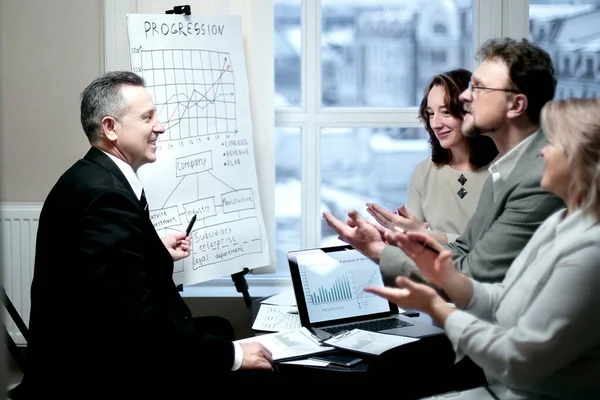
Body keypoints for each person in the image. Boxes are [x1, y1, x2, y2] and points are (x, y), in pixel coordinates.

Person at [21, 71, 276, 398]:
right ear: (111, 128)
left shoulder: (90, 176)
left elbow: (102, 272)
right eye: (147, 117)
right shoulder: (106, 198)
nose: (160, 126)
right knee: (256, 369)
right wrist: (234, 356)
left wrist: (154, 251)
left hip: (97, 346)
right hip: (99, 370)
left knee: (220, 328)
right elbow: (135, 321)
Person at [366, 97, 600, 399]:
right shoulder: (560, 221)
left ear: (580, 159)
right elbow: (505, 298)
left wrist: (436, 307)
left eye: (552, 143)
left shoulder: (590, 253)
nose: (541, 152)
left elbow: (520, 361)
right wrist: (445, 276)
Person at [323, 38, 565, 286]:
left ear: (516, 105)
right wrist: (404, 241)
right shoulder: (505, 169)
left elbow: (470, 274)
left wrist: (376, 250)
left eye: (479, 88)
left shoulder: (540, 179)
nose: (465, 96)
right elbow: (463, 250)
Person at [366, 68, 498, 245]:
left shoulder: (503, 170)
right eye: (430, 113)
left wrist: (430, 236)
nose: (435, 123)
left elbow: (496, 246)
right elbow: (415, 239)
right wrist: (395, 234)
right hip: (436, 271)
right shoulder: (423, 171)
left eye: (445, 112)